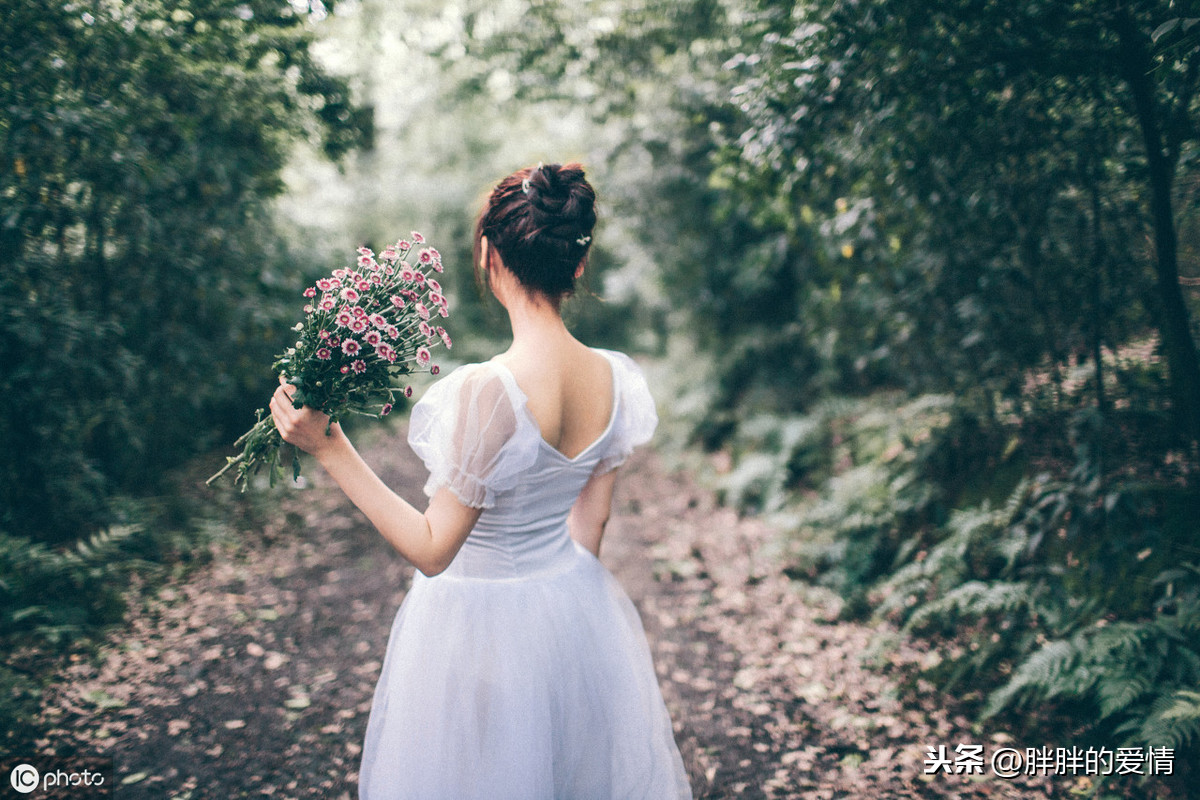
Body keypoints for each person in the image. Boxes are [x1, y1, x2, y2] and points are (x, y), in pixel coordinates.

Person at [269, 162, 693, 799]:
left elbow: (433, 549)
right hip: (572, 607)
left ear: (490, 255)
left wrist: (330, 448)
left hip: (476, 626)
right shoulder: (614, 377)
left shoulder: (492, 391)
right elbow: (592, 524)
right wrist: (554, 607)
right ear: (578, 266)